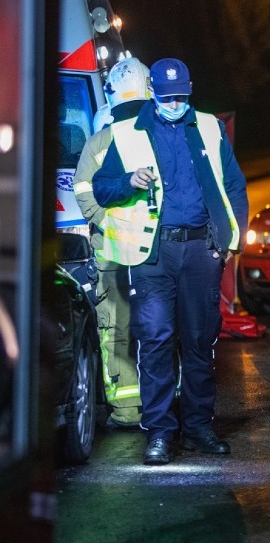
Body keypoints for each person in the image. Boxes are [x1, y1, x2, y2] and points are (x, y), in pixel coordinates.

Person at [92, 58, 249, 465]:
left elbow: (233, 184)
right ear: (153, 94)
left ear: (190, 90)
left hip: (201, 250)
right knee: (157, 339)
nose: (175, 103)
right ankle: (160, 432)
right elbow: (101, 189)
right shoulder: (125, 134)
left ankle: (198, 428)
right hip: (153, 254)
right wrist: (129, 181)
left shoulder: (210, 126)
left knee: (199, 341)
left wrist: (233, 239)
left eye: (181, 96)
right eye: (167, 97)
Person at [73, 56, 150, 430]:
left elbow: (83, 192)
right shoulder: (161, 135)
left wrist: (106, 224)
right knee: (159, 327)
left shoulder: (101, 139)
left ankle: (125, 410)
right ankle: (164, 404)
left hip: (114, 251)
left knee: (116, 329)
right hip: (156, 252)